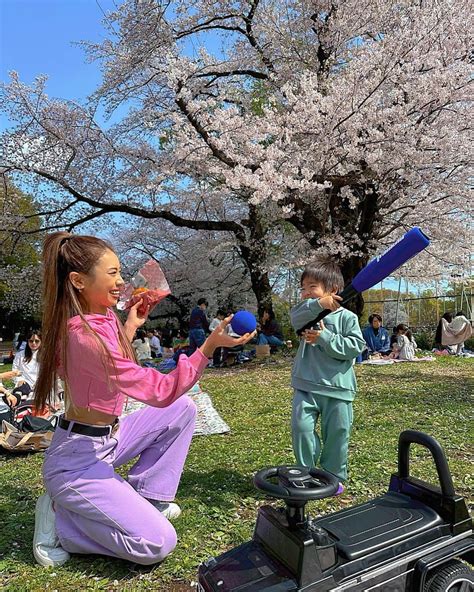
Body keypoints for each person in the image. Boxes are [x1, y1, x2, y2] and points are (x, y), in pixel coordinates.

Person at [32, 231, 255, 568]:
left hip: (107, 441)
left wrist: (132, 322)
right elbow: (159, 390)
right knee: (156, 542)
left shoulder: (102, 316)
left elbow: (111, 357)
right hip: (76, 462)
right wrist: (208, 347)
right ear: (78, 281)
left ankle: (148, 496)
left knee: (183, 409)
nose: (121, 281)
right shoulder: (83, 336)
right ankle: (61, 521)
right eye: (112, 274)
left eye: (120, 272)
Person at [290, 256, 366, 490]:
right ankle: (305, 472)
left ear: (332, 290)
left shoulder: (347, 318)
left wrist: (325, 338)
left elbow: (355, 347)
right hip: (306, 385)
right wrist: (318, 304)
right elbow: (295, 318)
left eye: (312, 287)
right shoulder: (306, 312)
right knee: (301, 429)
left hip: (338, 388)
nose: (306, 292)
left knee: (337, 435)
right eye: (303, 288)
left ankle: (334, 477)